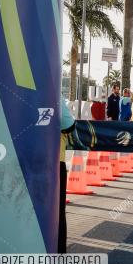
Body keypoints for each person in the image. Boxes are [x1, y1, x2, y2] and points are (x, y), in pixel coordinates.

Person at [59, 98, 75, 253]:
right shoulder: (52, 92)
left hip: (23, 161)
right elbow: (68, 125)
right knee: (57, 212)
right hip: (55, 162)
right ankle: (59, 256)